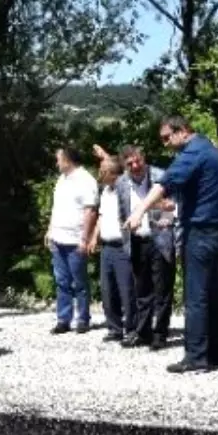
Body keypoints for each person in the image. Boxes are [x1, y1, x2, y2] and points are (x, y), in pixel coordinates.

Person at [130, 116, 218, 374]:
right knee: (213, 294)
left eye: (167, 137)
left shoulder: (194, 152)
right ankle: (217, 353)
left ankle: (196, 356)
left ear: (183, 131)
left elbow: (165, 182)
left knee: (196, 296)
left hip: (200, 232)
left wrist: (140, 209)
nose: (165, 144)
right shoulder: (210, 149)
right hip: (217, 231)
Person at [93, 143, 175, 350]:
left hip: (161, 238)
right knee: (142, 290)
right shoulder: (121, 183)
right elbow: (121, 211)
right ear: (125, 165)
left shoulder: (161, 176)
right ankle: (143, 331)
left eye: (138, 160)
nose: (136, 165)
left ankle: (161, 333)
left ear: (144, 158)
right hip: (137, 240)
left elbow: (174, 203)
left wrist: (167, 215)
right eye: (130, 163)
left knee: (162, 289)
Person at [45, 146, 99, 335]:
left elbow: (90, 211)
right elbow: (56, 207)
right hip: (58, 237)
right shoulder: (61, 180)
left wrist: (85, 238)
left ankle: (83, 319)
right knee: (61, 280)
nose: (56, 162)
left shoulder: (86, 180)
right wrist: (50, 230)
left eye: (58, 159)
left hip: (76, 239)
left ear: (67, 160)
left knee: (79, 281)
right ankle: (63, 319)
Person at [90, 156, 137, 343]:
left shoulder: (124, 190)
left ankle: (133, 329)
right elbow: (101, 216)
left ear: (112, 173)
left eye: (103, 170)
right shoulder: (105, 192)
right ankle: (114, 328)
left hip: (122, 246)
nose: (100, 174)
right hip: (107, 247)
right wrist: (94, 236)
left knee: (127, 290)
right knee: (108, 290)